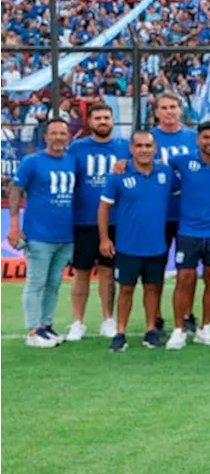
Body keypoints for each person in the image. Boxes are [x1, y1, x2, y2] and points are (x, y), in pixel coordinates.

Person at [165, 122, 210, 349]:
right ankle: (179, 330)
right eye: (206, 138)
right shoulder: (183, 161)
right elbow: (152, 164)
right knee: (184, 278)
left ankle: (205, 328)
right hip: (188, 231)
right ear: (198, 140)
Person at [97, 131, 173, 352]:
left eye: (148, 146)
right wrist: (104, 238)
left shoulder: (166, 173)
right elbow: (103, 208)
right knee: (126, 290)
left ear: (155, 148)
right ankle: (120, 332)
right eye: (139, 145)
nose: (144, 150)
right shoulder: (118, 175)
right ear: (131, 149)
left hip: (156, 245)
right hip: (127, 246)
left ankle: (150, 331)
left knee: (152, 289)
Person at [8, 119, 77, 349]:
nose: (59, 137)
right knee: (36, 282)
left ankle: (46, 326)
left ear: (68, 136)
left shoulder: (71, 161)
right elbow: (16, 191)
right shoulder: (32, 162)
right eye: (54, 133)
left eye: (63, 133)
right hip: (39, 234)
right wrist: (14, 225)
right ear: (45, 136)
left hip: (65, 234)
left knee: (54, 283)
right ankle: (33, 329)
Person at [65, 102, 129, 341]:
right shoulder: (76, 148)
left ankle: (107, 320)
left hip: (115, 221)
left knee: (107, 272)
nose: (103, 122)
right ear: (89, 122)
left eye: (107, 117)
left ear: (113, 121)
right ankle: (78, 322)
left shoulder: (124, 147)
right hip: (83, 221)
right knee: (80, 272)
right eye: (98, 118)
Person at [150, 91, 197, 333]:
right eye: (164, 108)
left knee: (187, 270)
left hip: (189, 215)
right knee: (155, 267)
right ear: (157, 112)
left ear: (180, 110)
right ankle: (155, 315)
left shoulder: (194, 137)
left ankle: (187, 313)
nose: (169, 112)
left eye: (173, 107)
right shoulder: (148, 139)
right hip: (157, 214)